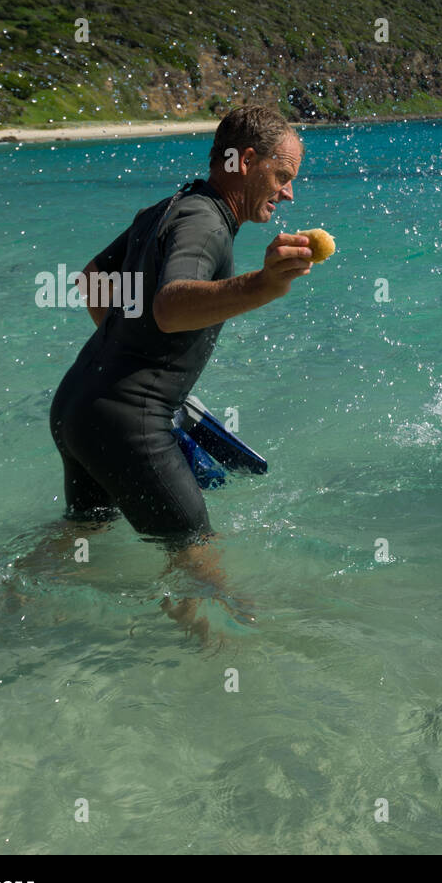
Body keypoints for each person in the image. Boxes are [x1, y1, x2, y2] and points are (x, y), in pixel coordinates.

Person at [47, 105, 313, 633]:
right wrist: (264, 284)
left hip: (79, 406)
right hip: (127, 424)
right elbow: (171, 306)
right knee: (200, 565)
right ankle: (227, 675)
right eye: (282, 177)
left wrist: (128, 354)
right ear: (248, 161)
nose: (287, 193)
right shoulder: (205, 221)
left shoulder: (170, 206)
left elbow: (94, 278)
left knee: (82, 535)